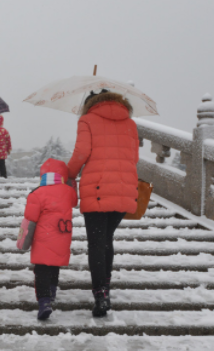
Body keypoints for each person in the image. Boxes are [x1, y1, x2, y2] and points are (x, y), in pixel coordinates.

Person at [67, 89, 139, 318]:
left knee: (97, 242)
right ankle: (104, 288)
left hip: (98, 188)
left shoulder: (87, 120)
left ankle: (101, 294)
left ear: (91, 103)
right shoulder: (130, 123)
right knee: (106, 239)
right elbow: (134, 157)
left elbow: (82, 152)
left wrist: (69, 174)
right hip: (124, 187)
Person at [23, 158, 78, 320]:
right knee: (54, 265)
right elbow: (74, 201)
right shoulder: (68, 192)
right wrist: (69, 183)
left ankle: (44, 301)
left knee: (41, 270)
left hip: (43, 239)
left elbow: (30, 218)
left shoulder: (36, 193)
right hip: (62, 235)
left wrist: (24, 239)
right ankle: (52, 291)